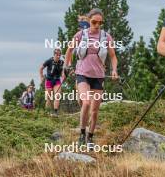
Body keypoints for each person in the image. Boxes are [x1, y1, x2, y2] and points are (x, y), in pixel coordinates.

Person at [64, 8, 118, 148]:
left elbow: (112, 56)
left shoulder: (106, 37)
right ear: (89, 21)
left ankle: (90, 137)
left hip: (98, 76)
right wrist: (66, 65)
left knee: (94, 111)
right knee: (86, 102)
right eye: (94, 22)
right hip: (82, 73)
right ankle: (82, 134)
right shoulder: (80, 35)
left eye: (100, 22)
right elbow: (69, 50)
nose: (97, 25)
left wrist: (114, 70)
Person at [40, 48, 64, 116]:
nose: (59, 56)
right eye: (57, 55)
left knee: (57, 95)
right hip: (49, 80)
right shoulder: (49, 61)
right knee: (49, 98)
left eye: (60, 55)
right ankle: (47, 112)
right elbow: (41, 68)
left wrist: (63, 75)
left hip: (57, 80)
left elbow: (62, 71)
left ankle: (55, 112)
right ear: (54, 54)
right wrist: (41, 77)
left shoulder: (61, 62)